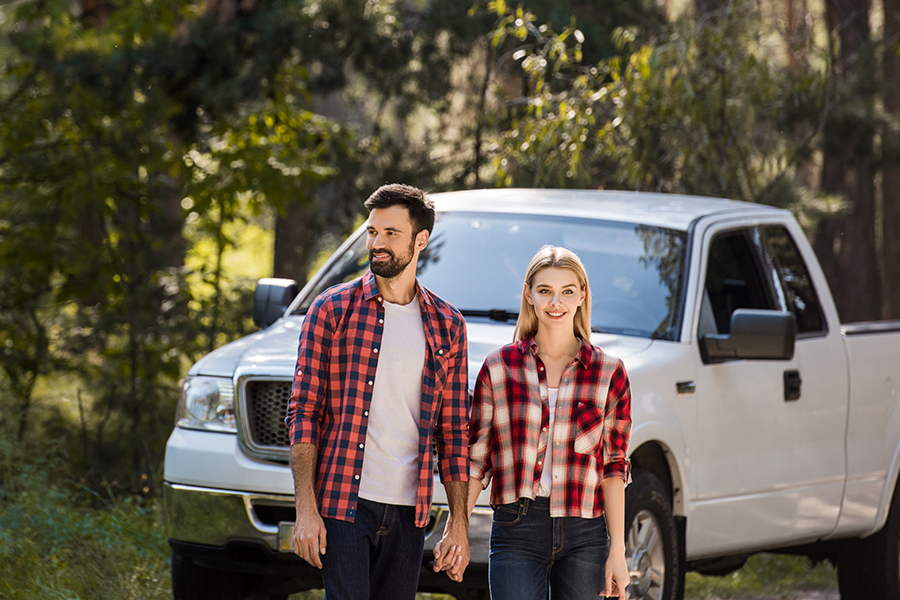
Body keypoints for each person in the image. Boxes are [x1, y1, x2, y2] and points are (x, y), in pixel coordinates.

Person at [285, 183, 471, 600]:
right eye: (372, 232)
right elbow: (304, 412)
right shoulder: (332, 309)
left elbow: (454, 433)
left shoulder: (448, 325)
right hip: (342, 504)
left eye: (391, 233)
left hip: (410, 511)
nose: (377, 243)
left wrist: (458, 523)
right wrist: (306, 509)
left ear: (420, 240)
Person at [464, 245, 632, 599]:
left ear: (582, 295)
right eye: (545, 291)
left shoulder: (609, 372)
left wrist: (617, 550)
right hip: (516, 527)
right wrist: (458, 527)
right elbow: (477, 460)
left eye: (567, 292)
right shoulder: (499, 368)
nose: (556, 303)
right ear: (529, 294)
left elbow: (613, 467)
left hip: (586, 530)